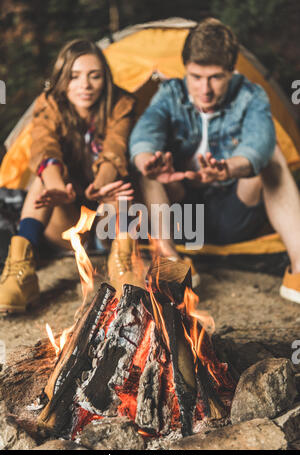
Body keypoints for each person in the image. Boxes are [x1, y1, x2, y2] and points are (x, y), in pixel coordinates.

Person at [129, 18, 300, 303]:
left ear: (232, 72)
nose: (204, 89)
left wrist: (229, 168)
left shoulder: (251, 95)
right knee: (147, 166)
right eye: (196, 77)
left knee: (271, 153)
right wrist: (148, 160)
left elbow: (259, 142)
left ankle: (299, 269)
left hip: (234, 214)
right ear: (185, 70)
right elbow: (147, 130)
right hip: (185, 219)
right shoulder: (170, 93)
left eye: (216, 77)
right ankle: (169, 260)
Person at [0, 39, 135, 314]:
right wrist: (56, 186)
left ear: (105, 79)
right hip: (70, 224)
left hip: (107, 219)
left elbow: (115, 150)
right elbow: (44, 147)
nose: (84, 85)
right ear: (62, 79)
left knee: (122, 189)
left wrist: (102, 184)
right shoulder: (48, 105)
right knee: (40, 180)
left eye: (94, 76)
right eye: (74, 77)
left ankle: (123, 264)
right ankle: (20, 271)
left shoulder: (121, 104)